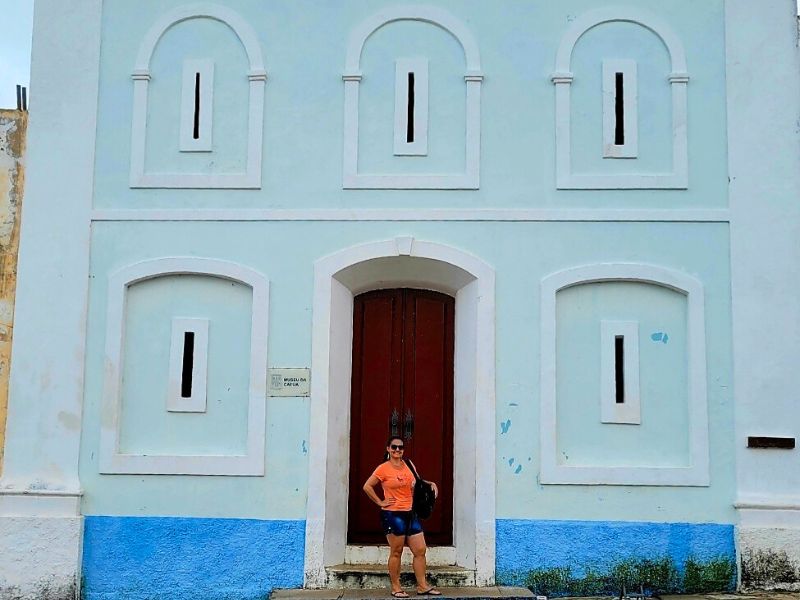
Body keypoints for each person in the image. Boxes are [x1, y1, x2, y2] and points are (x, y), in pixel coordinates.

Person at [363, 436, 441, 598]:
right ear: (388, 449)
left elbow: (417, 482)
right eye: (394, 447)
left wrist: (430, 483)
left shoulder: (409, 464)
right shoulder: (383, 469)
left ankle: (422, 586)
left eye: (400, 447)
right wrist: (380, 502)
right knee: (396, 551)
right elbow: (367, 486)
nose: (397, 450)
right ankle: (396, 587)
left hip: (411, 513)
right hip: (393, 514)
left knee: (420, 550)